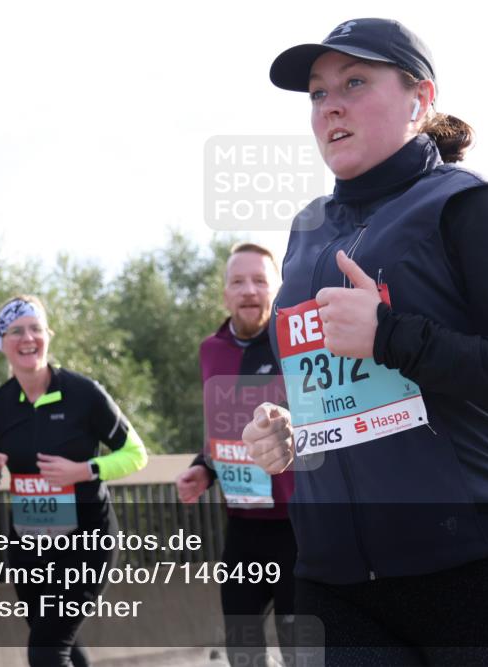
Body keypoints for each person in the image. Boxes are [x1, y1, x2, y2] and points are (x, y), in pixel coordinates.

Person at [243, 18, 488, 665]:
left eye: (356, 81)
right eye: (317, 93)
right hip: (335, 580)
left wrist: (391, 335)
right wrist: (289, 428)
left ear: (420, 99)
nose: (330, 105)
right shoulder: (306, 231)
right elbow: (338, 394)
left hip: (486, 563)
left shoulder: (471, 205)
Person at [0, 295, 148, 667]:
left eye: (35, 328)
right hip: (28, 548)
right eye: (15, 330)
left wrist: (85, 470)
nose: (27, 337)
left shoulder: (83, 394)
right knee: (57, 642)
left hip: (87, 542)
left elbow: (136, 455)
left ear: (48, 336)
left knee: (46, 648)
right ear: (2, 344)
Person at [174, 243, 297, 667]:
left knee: (301, 650)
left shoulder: (293, 344)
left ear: (276, 290)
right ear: (224, 293)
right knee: (242, 651)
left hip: (299, 526)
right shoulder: (211, 350)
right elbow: (221, 431)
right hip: (243, 528)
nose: (249, 290)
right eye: (238, 281)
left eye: (260, 281)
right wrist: (202, 469)